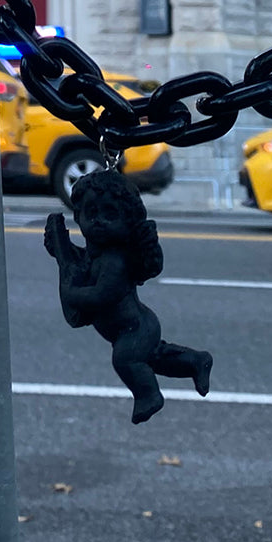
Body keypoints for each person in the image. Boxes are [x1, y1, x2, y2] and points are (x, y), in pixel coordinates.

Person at [44, 168, 212, 424]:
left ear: (128, 221)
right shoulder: (96, 254)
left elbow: (102, 296)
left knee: (126, 359)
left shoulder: (114, 261)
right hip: (129, 330)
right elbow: (78, 266)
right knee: (154, 358)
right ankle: (195, 361)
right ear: (78, 216)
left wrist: (72, 293)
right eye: (91, 213)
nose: (99, 221)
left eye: (110, 214)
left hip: (136, 328)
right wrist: (60, 249)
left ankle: (148, 395)